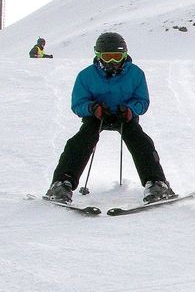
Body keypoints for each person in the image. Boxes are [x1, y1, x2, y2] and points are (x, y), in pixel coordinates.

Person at [43, 32, 176, 204]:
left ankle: (156, 182)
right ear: (98, 56)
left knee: (141, 141)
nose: (113, 62)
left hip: (125, 116)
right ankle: (61, 183)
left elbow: (142, 101)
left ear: (125, 55)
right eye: (107, 57)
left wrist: (130, 111)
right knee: (80, 141)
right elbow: (78, 103)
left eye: (117, 56)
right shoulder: (86, 75)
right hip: (96, 116)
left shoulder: (135, 74)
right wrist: (92, 108)